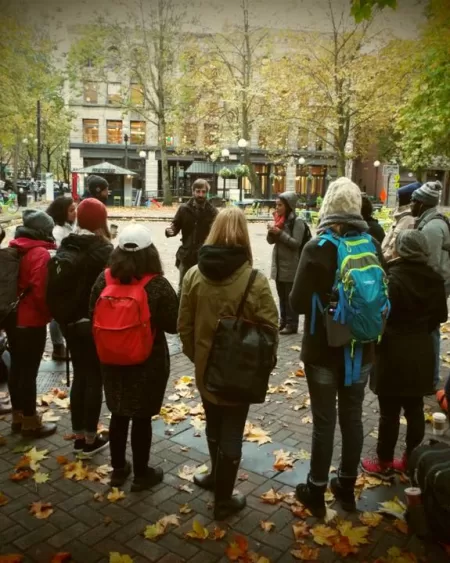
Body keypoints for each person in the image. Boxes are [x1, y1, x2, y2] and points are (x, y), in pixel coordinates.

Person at [178, 207, 278, 520]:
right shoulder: (255, 280)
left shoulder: (193, 275)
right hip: (241, 372)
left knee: (213, 422)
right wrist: (262, 365)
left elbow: (184, 326)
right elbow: (270, 330)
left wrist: (198, 357)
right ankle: (224, 498)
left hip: (205, 370)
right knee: (232, 430)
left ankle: (214, 475)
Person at [289, 178, 376, 517]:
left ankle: (315, 488)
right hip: (362, 350)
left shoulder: (316, 247)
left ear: (328, 206)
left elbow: (296, 303)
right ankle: (347, 486)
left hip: (323, 350)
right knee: (353, 418)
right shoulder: (371, 244)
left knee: (324, 421)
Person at [90, 224, 178, 490]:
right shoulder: (157, 285)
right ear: (151, 253)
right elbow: (173, 324)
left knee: (118, 413)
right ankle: (142, 473)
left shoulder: (103, 279)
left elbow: (92, 312)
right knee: (141, 416)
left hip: (110, 359)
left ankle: (118, 470)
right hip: (148, 361)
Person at [362, 231, 447, 478]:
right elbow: (440, 316)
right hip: (422, 350)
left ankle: (384, 462)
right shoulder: (435, 278)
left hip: (392, 351)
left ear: (401, 249)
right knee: (415, 408)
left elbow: (380, 314)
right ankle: (412, 459)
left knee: (389, 412)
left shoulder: (391, 278)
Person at [6, 210, 57, 437]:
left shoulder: (16, 248)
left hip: (12, 317)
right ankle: (30, 421)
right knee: (28, 372)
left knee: (17, 368)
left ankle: (17, 416)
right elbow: (40, 292)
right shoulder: (40, 254)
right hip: (30, 321)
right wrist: (49, 314)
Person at [411, 180, 450, 389]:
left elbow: (431, 265)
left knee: (430, 331)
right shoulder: (430, 222)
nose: (411, 204)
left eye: (413, 201)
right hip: (435, 287)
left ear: (422, 203)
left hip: (434, 289)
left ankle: (431, 379)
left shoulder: (432, 228)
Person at [165, 179, 218, 290]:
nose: (201, 195)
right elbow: (175, 225)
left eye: (203, 192)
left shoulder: (213, 212)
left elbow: (218, 232)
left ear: (207, 193)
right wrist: (170, 231)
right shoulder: (184, 209)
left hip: (205, 257)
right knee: (183, 287)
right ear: (193, 191)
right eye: (198, 191)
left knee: (203, 289)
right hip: (186, 255)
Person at [267, 191, 307, 335]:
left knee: (290, 296)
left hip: (291, 265)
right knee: (281, 296)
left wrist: (280, 233)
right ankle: (283, 321)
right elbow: (270, 241)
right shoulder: (279, 220)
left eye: (280, 205)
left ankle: (292, 324)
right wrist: (271, 232)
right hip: (278, 265)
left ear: (289, 206)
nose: (277, 208)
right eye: (276, 205)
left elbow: (296, 243)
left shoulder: (297, 222)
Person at [46, 196, 77, 360]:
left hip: (67, 272)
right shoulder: (57, 231)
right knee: (57, 313)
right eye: (71, 210)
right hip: (60, 273)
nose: (75, 213)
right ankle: (58, 346)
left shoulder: (69, 226)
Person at [382, 182, 421, 262]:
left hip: (390, 262)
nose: (397, 200)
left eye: (399, 197)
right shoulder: (402, 216)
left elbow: (394, 244)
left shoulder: (408, 218)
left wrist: (382, 260)